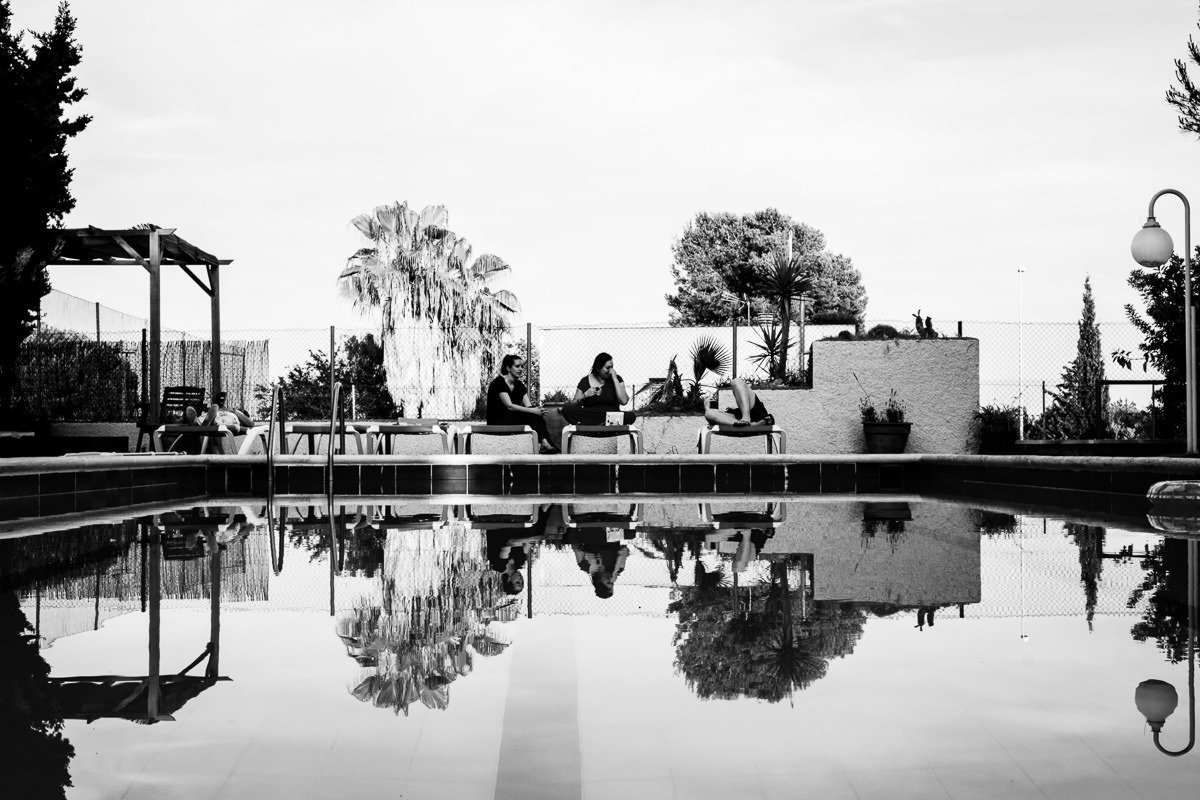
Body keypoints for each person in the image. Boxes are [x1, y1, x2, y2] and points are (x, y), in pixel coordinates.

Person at [486, 354, 559, 454]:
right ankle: (546, 443)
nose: (521, 369)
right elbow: (509, 406)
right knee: (533, 413)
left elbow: (529, 406)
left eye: (522, 366)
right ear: (508, 368)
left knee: (535, 415)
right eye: (517, 366)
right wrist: (533, 410)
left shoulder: (519, 385)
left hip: (512, 418)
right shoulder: (499, 383)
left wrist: (538, 410)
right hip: (497, 419)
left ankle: (545, 443)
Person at [562, 352, 637, 426]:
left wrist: (615, 379)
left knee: (631, 416)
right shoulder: (585, 381)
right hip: (591, 415)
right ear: (598, 369)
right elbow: (573, 406)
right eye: (608, 368)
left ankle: (599, 424)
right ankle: (599, 424)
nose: (611, 370)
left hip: (612, 416)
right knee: (566, 409)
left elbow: (624, 401)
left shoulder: (617, 379)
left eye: (612, 367)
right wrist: (585, 396)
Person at [703, 377, 774, 428]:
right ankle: (750, 424)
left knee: (736, 381)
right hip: (736, 420)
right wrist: (707, 408)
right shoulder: (727, 414)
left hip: (754, 411)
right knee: (708, 414)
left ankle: (746, 418)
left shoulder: (744, 401)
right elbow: (714, 416)